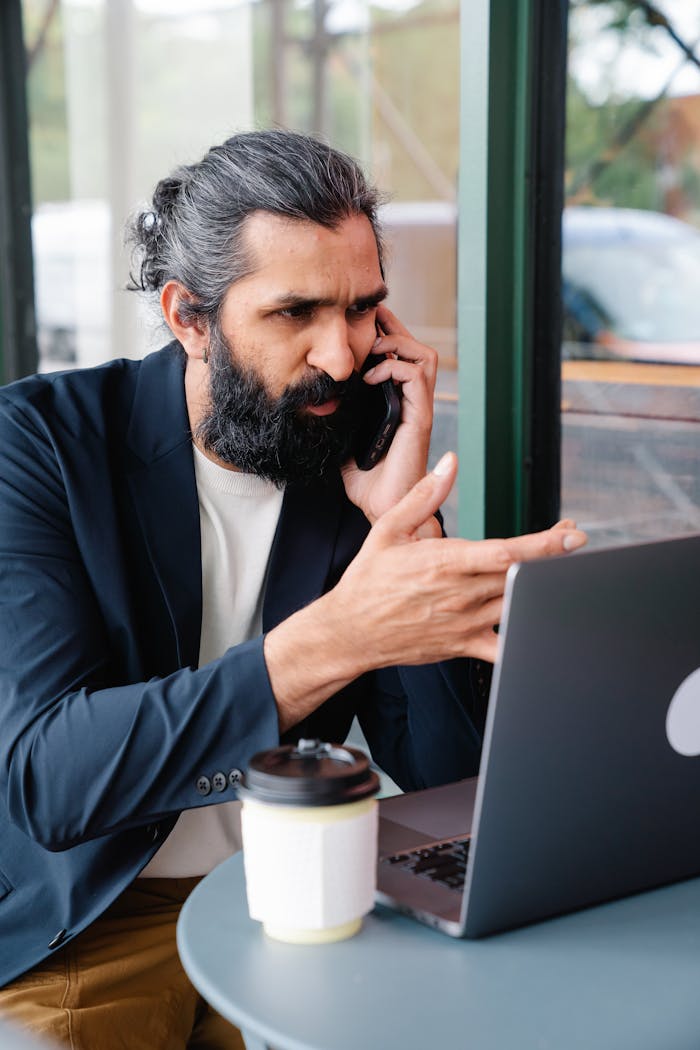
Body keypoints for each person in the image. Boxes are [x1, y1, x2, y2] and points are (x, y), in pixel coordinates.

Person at [0, 129, 586, 1048]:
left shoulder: (342, 458)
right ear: (189, 318)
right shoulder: (37, 444)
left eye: (363, 310)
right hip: (84, 925)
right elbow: (50, 780)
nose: (344, 357)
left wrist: (406, 526)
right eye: (296, 313)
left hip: (304, 909)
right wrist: (342, 635)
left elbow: (451, 780)